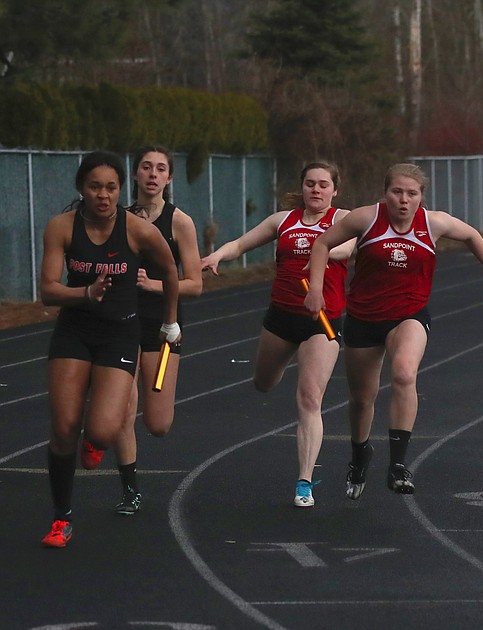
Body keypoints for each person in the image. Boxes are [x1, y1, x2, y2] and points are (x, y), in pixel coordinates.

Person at [304, 162, 483, 500]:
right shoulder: (366, 218)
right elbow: (321, 244)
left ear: (421, 197)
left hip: (409, 314)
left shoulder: (433, 223)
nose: (403, 200)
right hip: (364, 317)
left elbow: (471, 235)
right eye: (397, 192)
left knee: (405, 373)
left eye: (411, 194)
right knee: (362, 399)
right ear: (385, 193)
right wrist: (315, 289)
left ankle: (398, 465)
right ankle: (360, 455)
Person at [39, 150, 181, 547]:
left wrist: (170, 322)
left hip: (120, 334)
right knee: (64, 427)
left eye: (111, 188)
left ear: (121, 190)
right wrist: (85, 293)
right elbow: (47, 290)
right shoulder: (62, 227)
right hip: (74, 331)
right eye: (95, 187)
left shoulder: (136, 229)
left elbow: (171, 271)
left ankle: (94, 441)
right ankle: (61, 518)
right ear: (81, 189)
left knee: (101, 432)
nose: (103, 195)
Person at [201, 162, 355, 507]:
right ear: (302, 187)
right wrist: (217, 255)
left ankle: (304, 482)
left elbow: (346, 249)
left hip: (322, 321)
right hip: (282, 318)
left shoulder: (344, 220)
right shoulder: (283, 220)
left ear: (335, 190)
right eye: (310, 183)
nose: (316, 190)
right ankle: (284, 359)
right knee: (264, 382)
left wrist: (324, 250)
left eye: (323, 184)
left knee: (310, 399)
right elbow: (240, 244)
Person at [80, 146, 202, 515]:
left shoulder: (180, 222)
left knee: (158, 423)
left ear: (169, 178)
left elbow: (195, 284)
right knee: (123, 409)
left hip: (164, 327)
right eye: (146, 167)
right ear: (134, 174)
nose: (152, 174)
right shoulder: (119, 218)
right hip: (122, 324)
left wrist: (155, 286)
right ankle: (130, 489)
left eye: (160, 168)